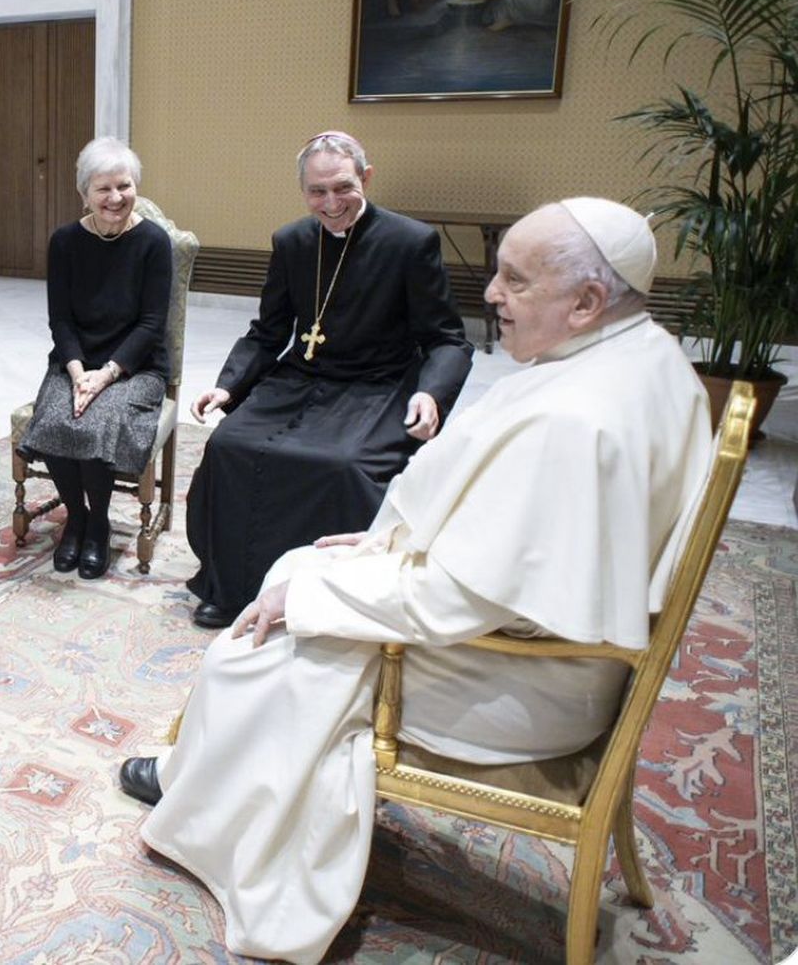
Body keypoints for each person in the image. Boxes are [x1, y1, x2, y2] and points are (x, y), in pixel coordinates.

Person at [118, 198, 712, 963]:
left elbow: (464, 599)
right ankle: (203, 774)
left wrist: (310, 596)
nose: (491, 294)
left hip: (519, 682)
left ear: (587, 302)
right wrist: (386, 538)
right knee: (304, 565)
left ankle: (201, 800)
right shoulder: (642, 356)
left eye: (515, 280)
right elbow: (523, 539)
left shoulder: (580, 417)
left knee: (269, 633)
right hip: (554, 644)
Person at [184, 131, 473, 629]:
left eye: (342, 187)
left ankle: (334, 596)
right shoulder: (292, 241)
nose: (331, 203)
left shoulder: (411, 242)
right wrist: (229, 385)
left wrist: (431, 393)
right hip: (302, 376)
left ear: (366, 176)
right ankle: (228, 586)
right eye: (317, 192)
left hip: (378, 383)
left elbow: (448, 337)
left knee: (343, 465)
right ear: (303, 192)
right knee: (229, 444)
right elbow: (269, 330)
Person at [17, 137, 172, 579]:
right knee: (56, 419)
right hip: (75, 362)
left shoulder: (153, 242)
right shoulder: (65, 241)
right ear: (84, 193)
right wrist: (78, 372)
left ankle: (99, 522)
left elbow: (151, 324)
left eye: (124, 186)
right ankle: (76, 518)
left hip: (135, 366)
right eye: (103, 189)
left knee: (97, 421)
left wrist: (105, 376)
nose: (116, 198)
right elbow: (60, 320)